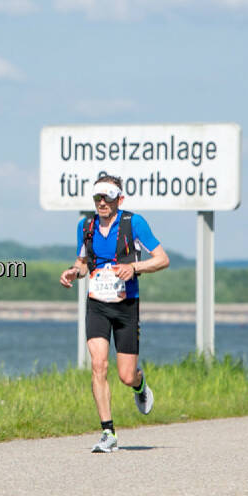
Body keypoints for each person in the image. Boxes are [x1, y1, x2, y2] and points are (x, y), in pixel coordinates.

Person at [59, 174, 169, 453]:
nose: (102, 202)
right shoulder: (86, 226)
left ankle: (139, 384)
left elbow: (162, 259)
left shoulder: (134, 223)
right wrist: (74, 272)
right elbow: (83, 263)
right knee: (98, 365)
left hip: (126, 305)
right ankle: (108, 432)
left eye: (107, 197)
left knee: (125, 375)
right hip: (97, 304)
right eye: (98, 197)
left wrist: (135, 268)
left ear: (119, 199)